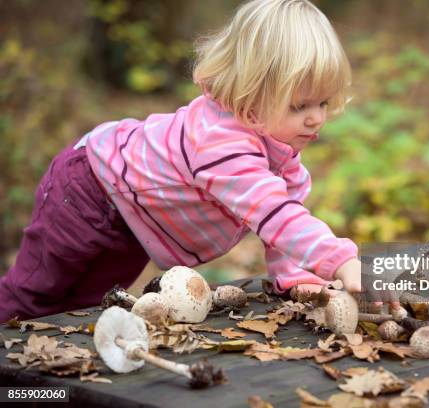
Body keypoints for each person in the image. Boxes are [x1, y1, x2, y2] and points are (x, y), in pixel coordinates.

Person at [0, 0, 394, 322]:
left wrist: (295, 276)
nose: (317, 118)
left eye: (323, 102)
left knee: (81, 311)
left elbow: (284, 215)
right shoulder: (218, 142)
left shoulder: (281, 152)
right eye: (299, 105)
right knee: (33, 298)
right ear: (252, 98)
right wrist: (342, 261)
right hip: (89, 192)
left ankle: (42, 386)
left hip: (135, 221)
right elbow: (274, 212)